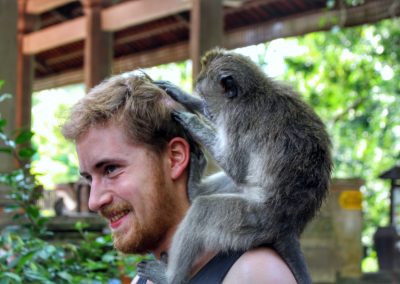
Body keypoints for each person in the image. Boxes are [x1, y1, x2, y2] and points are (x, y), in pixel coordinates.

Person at [62, 70, 296, 284]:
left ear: (175, 158)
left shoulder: (254, 274)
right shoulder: (143, 281)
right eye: (89, 179)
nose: (94, 201)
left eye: (111, 169)